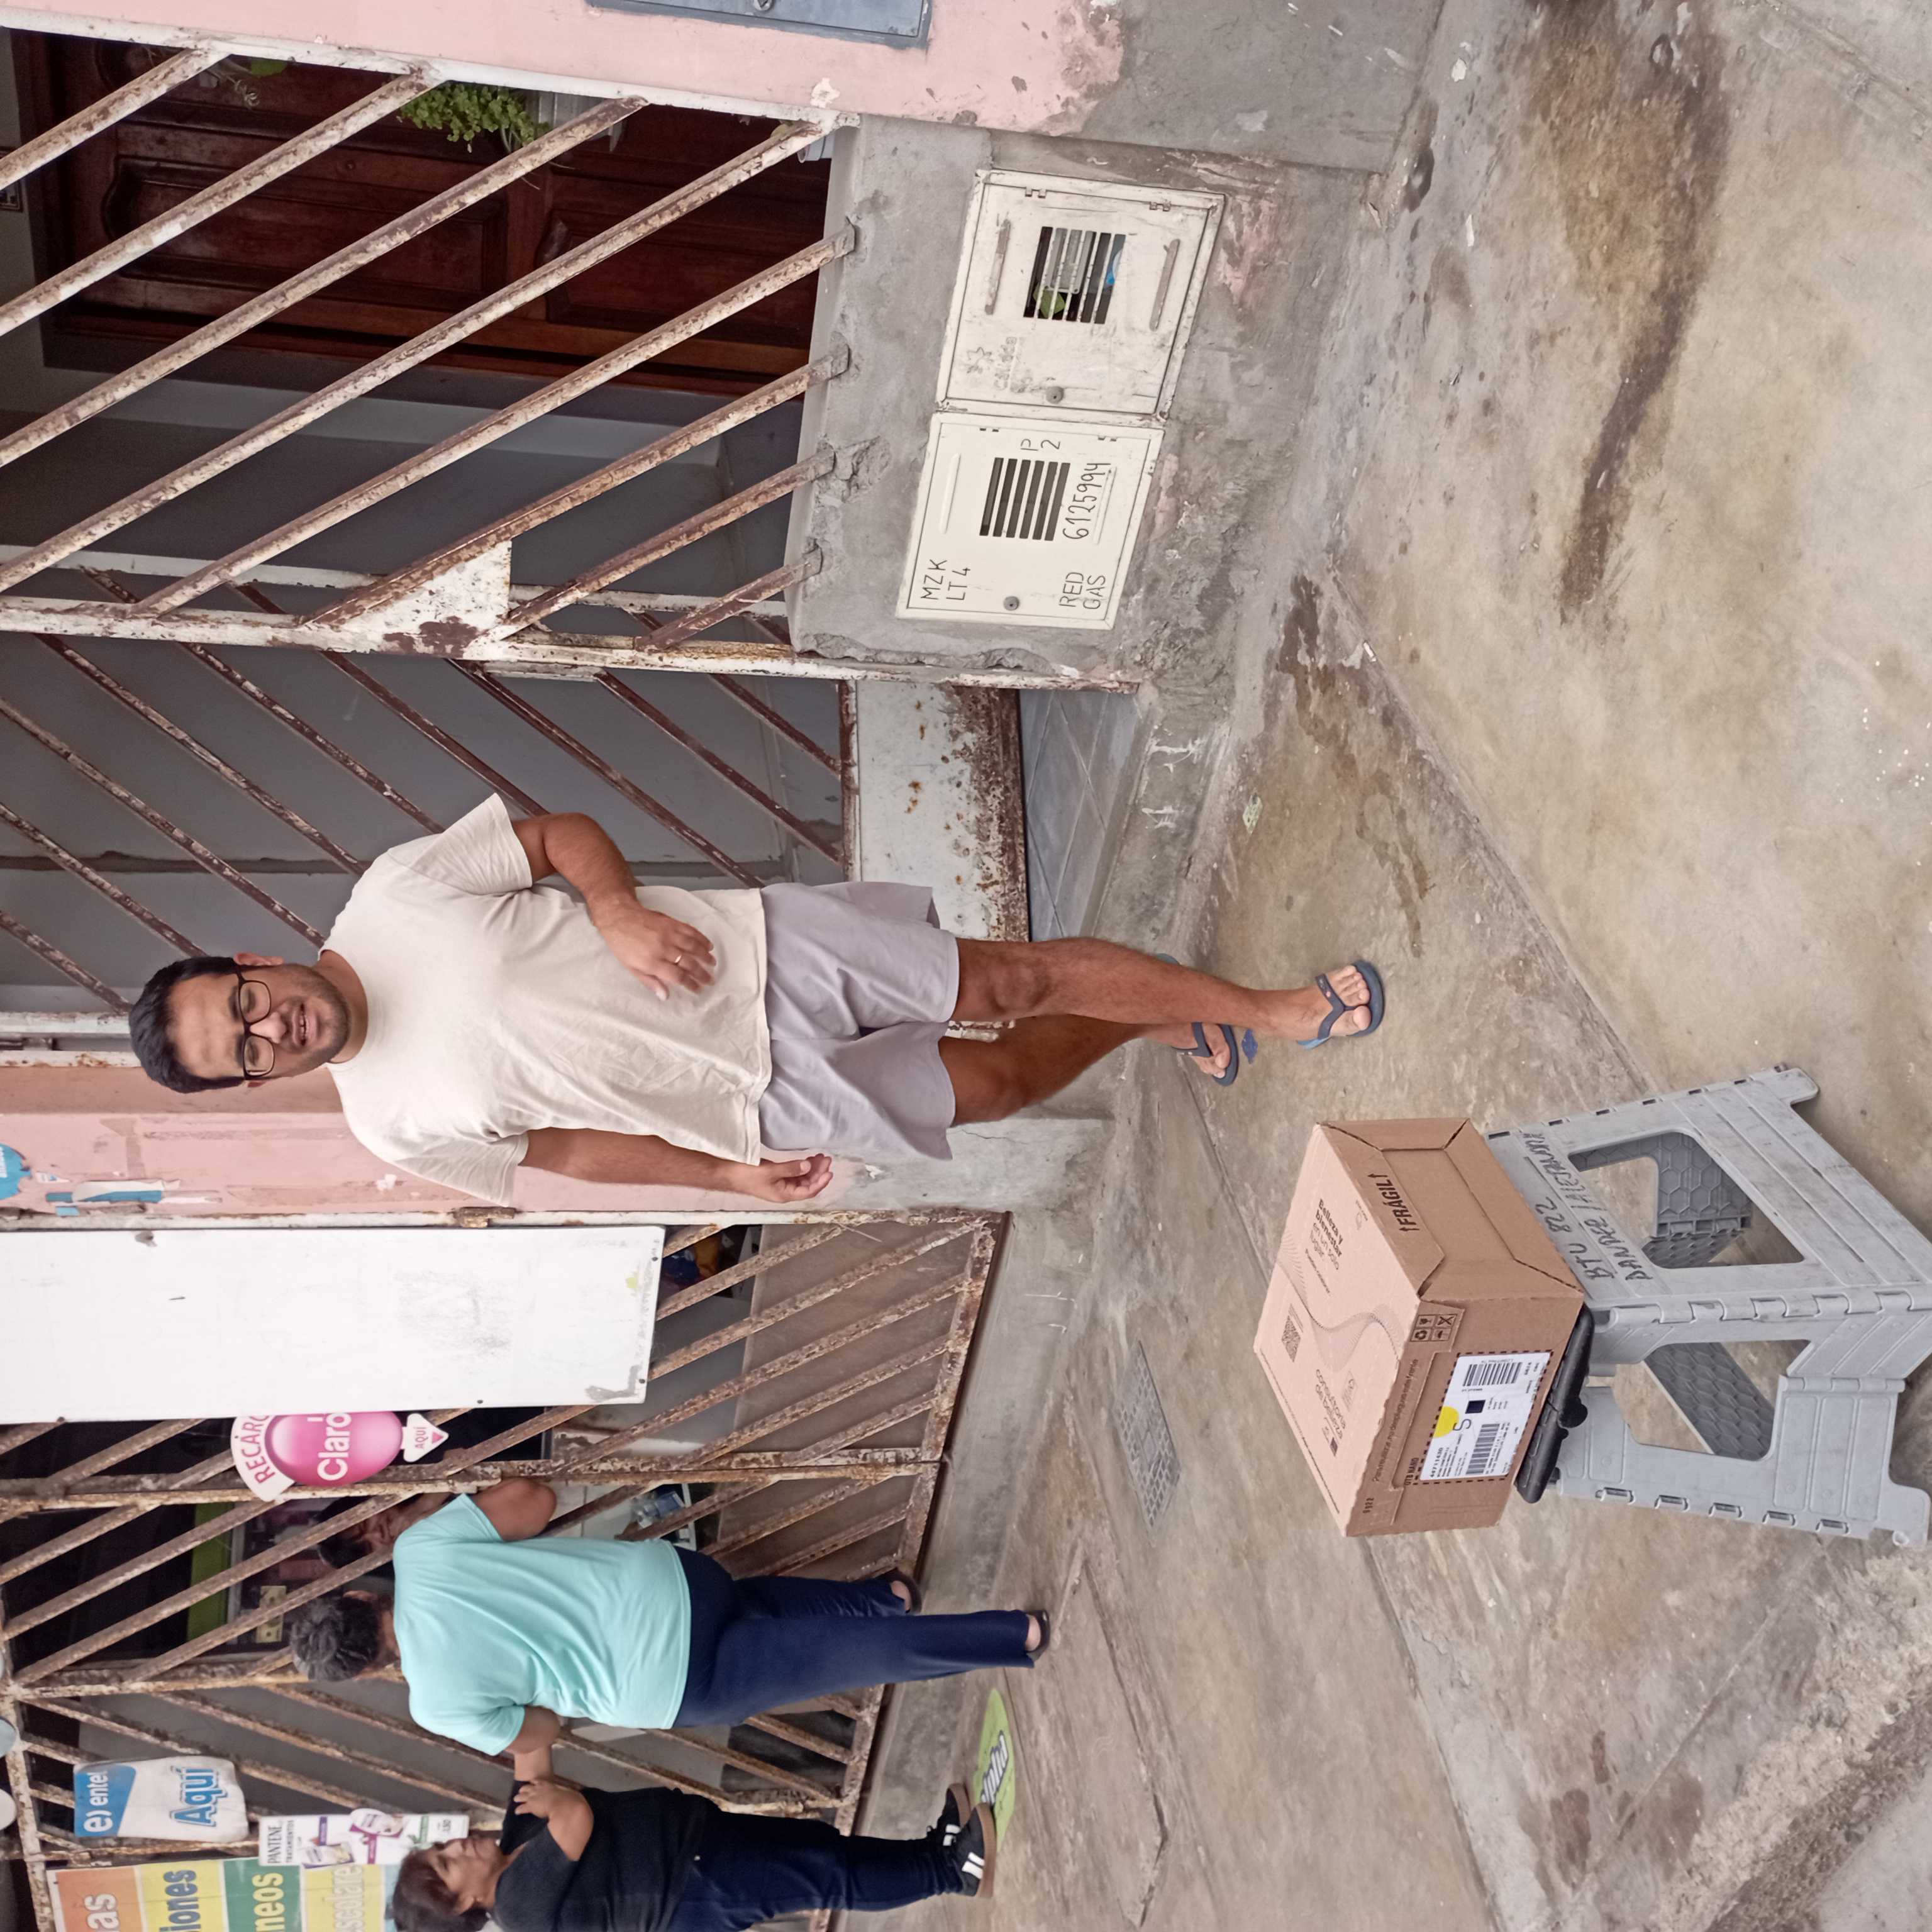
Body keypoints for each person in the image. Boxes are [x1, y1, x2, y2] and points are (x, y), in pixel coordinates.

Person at [123, 795, 1385, 1204]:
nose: (269, 1030)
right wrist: (720, 1175)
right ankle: (1148, 1019)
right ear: (256, 1082)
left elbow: (554, 833)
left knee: (1007, 979)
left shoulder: (393, 896)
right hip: (749, 1097)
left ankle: (1268, 1007)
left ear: (249, 961)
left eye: (244, 1005)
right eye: (246, 1056)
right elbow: (566, 1151)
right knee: (995, 1086)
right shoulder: (389, 1126)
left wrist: (616, 911)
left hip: (755, 959)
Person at [284, 1477, 1045, 1757]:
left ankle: (1011, 1636)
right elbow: (534, 1501)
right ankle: (884, 1599)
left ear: (368, 1669)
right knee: (754, 1606)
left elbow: (541, 1732)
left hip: (664, 1684)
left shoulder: (438, 1706)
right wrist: (436, 1505)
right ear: (357, 1597)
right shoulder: (422, 1551)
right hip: (671, 1585)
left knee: (834, 1658)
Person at [392, 1738, 993, 1932]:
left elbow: (531, 1748)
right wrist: (555, 1799)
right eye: (448, 1864)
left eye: (442, 1847)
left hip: (697, 1843)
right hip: (693, 1889)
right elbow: (573, 1819)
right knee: (825, 1877)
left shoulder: (514, 1837)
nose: (456, 1846)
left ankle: (931, 1850)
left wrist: (506, 1710)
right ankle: (951, 1873)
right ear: (465, 1905)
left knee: (821, 1849)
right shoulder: (520, 1904)